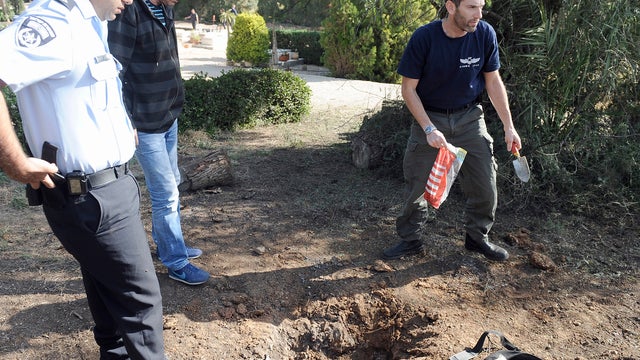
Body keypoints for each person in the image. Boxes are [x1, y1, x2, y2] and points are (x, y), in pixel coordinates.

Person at [0, 0, 167, 357]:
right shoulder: (53, 22)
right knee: (142, 307)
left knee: (111, 300)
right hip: (90, 197)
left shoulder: (92, 21)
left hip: (108, 190)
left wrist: (121, 129)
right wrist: (14, 162)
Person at [382, 0, 522, 262]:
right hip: (430, 118)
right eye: (471, 7)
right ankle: (411, 240)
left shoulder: (484, 33)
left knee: (486, 184)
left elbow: (493, 81)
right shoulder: (425, 38)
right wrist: (428, 128)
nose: (478, 15)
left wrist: (509, 126)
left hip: (470, 118)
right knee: (418, 187)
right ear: (450, 6)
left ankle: (477, 238)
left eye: (480, 7)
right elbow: (408, 89)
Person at [108, 0, 210, 285]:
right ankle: (176, 262)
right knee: (165, 192)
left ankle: (169, 243)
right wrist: (127, 120)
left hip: (168, 117)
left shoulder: (164, 8)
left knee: (172, 184)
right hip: (145, 124)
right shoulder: (128, 13)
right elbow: (115, 70)